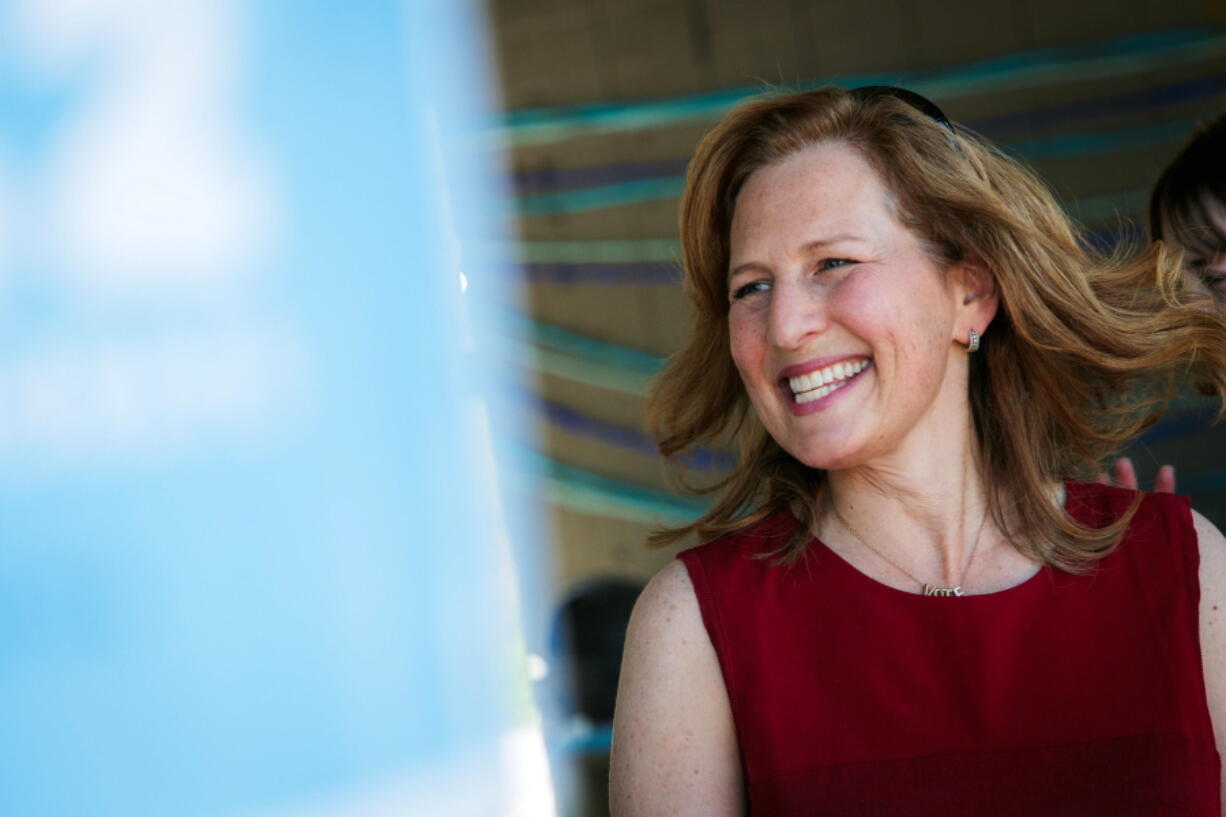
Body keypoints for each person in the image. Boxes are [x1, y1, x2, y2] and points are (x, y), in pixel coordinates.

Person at [608, 86, 1226, 815]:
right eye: (752, 287)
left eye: (833, 262)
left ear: (970, 292)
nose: (784, 325)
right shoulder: (692, 627)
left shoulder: (1184, 564)